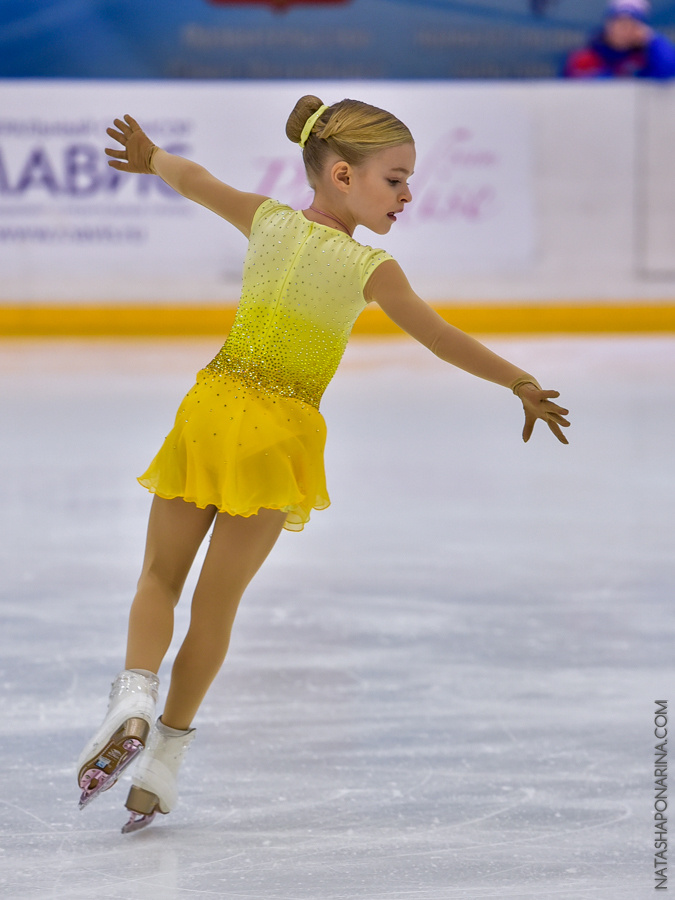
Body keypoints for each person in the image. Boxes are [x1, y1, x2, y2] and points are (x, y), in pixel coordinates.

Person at [76, 95, 570, 834]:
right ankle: (161, 768)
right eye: (395, 180)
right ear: (342, 174)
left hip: (210, 413)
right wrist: (519, 383)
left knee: (159, 577)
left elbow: (193, 178)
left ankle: (133, 696)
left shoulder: (266, 219)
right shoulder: (372, 268)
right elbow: (440, 337)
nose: (408, 195)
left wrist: (150, 159)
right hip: (278, 436)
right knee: (216, 607)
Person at [563, 0, 675, 80]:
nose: (623, 30)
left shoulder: (644, 60)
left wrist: (652, 39)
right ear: (608, 24)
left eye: (631, 25)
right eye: (619, 23)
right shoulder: (584, 58)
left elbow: (669, 69)